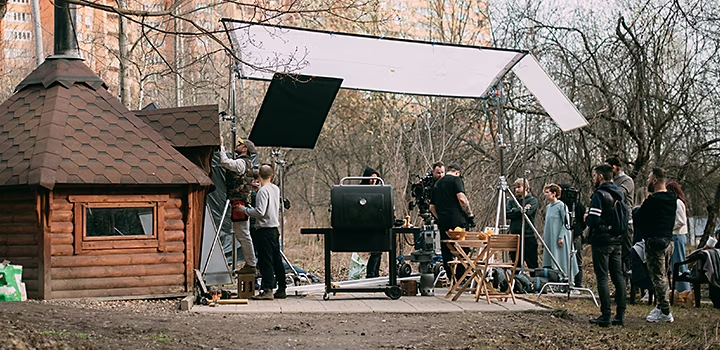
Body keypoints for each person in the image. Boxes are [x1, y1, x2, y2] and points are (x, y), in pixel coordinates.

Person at [586, 164, 626, 327]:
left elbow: (594, 220)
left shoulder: (600, 194)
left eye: (595, 175)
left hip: (602, 240)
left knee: (602, 276)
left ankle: (605, 315)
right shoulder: (619, 193)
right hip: (617, 239)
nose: (594, 178)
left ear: (601, 176)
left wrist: (587, 217)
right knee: (618, 276)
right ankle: (620, 315)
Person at [239, 164, 286, 300]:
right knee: (276, 259)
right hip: (274, 229)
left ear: (259, 174)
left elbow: (260, 212)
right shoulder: (275, 189)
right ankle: (282, 288)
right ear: (272, 175)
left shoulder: (262, 192)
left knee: (265, 261)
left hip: (264, 230)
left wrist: (244, 210)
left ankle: (267, 289)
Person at [636, 168, 676, 322]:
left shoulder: (652, 202)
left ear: (655, 180)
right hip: (668, 242)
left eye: (648, 177)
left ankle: (665, 312)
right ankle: (660, 306)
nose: (647, 181)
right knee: (664, 276)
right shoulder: (672, 199)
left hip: (654, 243)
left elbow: (640, 220)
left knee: (658, 278)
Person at [218, 136, 257, 275]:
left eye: (240, 144)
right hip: (240, 200)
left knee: (243, 234)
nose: (237, 145)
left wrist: (221, 146)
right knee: (242, 234)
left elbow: (225, 162)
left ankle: (251, 264)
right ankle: (251, 263)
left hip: (238, 201)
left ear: (245, 149)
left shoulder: (241, 163)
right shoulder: (248, 163)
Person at [430, 163, 475, 279]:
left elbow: (431, 207)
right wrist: (470, 215)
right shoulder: (456, 180)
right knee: (462, 248)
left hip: (443, 221)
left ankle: (451, 277)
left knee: (446, 249)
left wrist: (440, 217)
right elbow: (462, 199)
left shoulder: (437, 184)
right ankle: (461, 276)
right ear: (457, 172)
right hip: (457, 220)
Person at [606, 156, 635, 278]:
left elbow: (619, 193)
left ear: (613, 168)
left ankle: (631, 285)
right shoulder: (611, 182)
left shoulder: (626, 181)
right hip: (614, 222)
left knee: (627, 254)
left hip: (625, 222)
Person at [541, 184, 577, 278]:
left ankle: (566, 277)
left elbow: (566, 223)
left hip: (560, 238)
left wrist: (561, 236)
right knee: (551, 259)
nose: (545, 194)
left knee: (562, 259)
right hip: (550, 237)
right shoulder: (549, 207)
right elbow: (547, 223)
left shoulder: (561, 206)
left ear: (554, 194)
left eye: (547, 192)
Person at [506, 178, 539, 269]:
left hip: (528, 236)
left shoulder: (532, 201)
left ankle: (535, 282)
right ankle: (516, 282)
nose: (516, 189)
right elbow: (507, 214)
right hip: (515, 236)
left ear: (526, 188)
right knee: (515, 265)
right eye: (515, 187)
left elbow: (527, 213)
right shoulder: (512, 201)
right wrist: (520, 210)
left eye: (519, 187)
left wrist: (515, 211)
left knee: (532, 265)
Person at [560, 184, 587, 289]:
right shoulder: (561, 206)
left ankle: (578, 283)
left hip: (576, 236)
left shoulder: (579, 206)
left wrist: (578, 230)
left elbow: (584, 222)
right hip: (565, 236)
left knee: (578, 260)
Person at [667, 181, 691, 292]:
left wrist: (669, 227)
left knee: (679, 264)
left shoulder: (677, 203)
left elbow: (681, 221)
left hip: (677, 235)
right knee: (675, 264)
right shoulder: (677, 202)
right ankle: (678, 289)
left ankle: (684, 290)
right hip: (676, 236)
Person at [362, 167, 383, 278]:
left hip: (377, 225)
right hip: (365, 226)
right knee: (376, 251)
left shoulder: (380, 190)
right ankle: (371, 274)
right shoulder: (361, 190)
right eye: (371, 179)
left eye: (376, 179)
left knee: (379, 251)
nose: (373, 181)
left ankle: (375, 274)